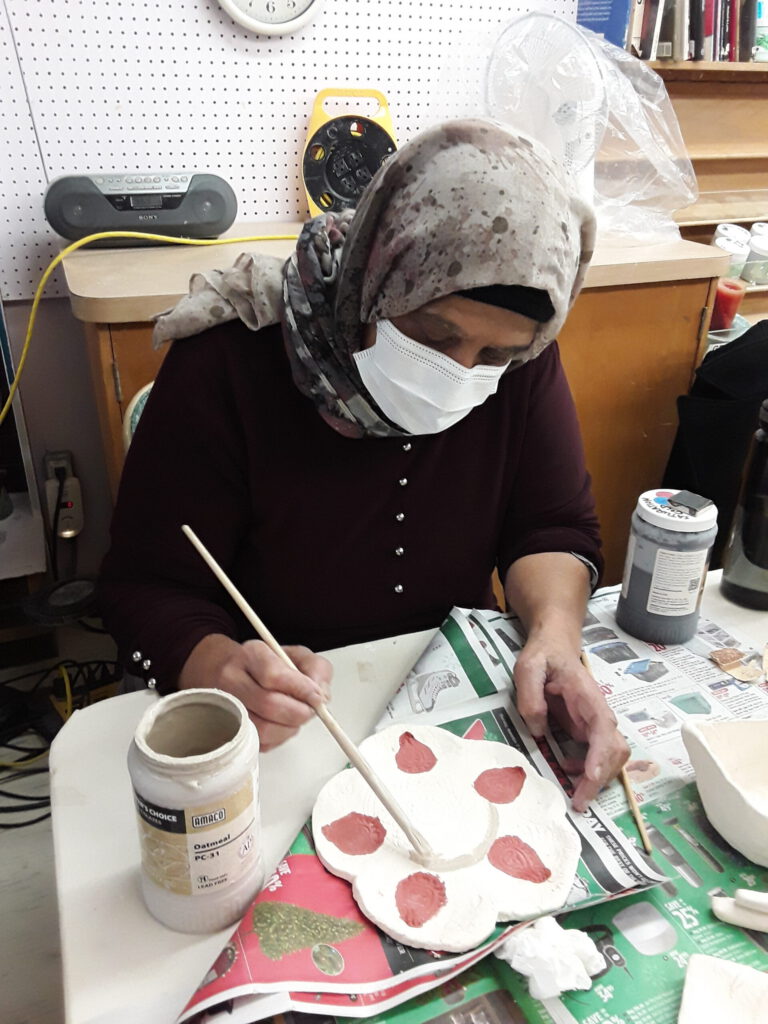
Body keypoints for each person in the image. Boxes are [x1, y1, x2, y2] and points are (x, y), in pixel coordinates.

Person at [98, 119, 629, 810]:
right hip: (281, 725)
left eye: (494, 357)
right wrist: (219, 666)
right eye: (435, 333)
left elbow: (552, 525)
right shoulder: (227, 362)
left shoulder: (524, 364)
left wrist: (555, 638)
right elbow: (143, 586)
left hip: (448, 697)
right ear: (376, 278)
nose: (458, 373)